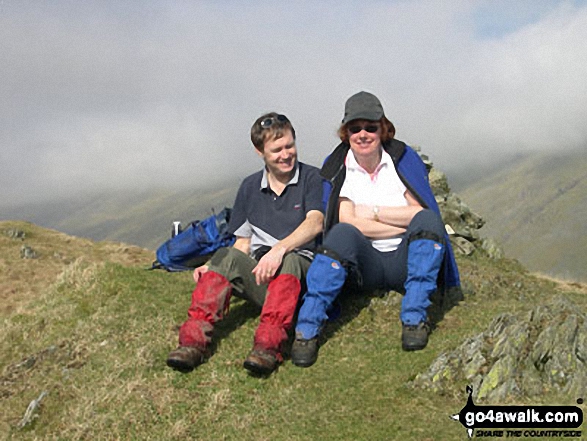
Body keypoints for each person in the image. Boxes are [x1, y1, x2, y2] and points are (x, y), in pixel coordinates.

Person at [290, 91, 461, 368]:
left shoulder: (402, 160)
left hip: (405, 260)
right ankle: (306, 331)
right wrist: (397, 220)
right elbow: (348, 223)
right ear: (346, 132)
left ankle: (415, 319)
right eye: (355, 128)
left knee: (429, 223)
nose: (363, 134)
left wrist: (374, 213)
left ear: (383, 128)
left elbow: (421, 214)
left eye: (370, 126)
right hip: (363, 266)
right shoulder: (337, 166)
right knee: (341, 236)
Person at [167, 112, 324, 375]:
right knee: (225, 256)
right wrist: (215, 269)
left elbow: (315, 223)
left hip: (300, 276)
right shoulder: (250, 187)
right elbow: (242, 242)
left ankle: (268, 347)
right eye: (277, 150)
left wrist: (280, 249)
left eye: (289, 146)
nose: (286, 154)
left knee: (292, 260)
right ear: (259, 151)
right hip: (262, 274)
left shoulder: (312, 178)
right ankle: (193, 342)